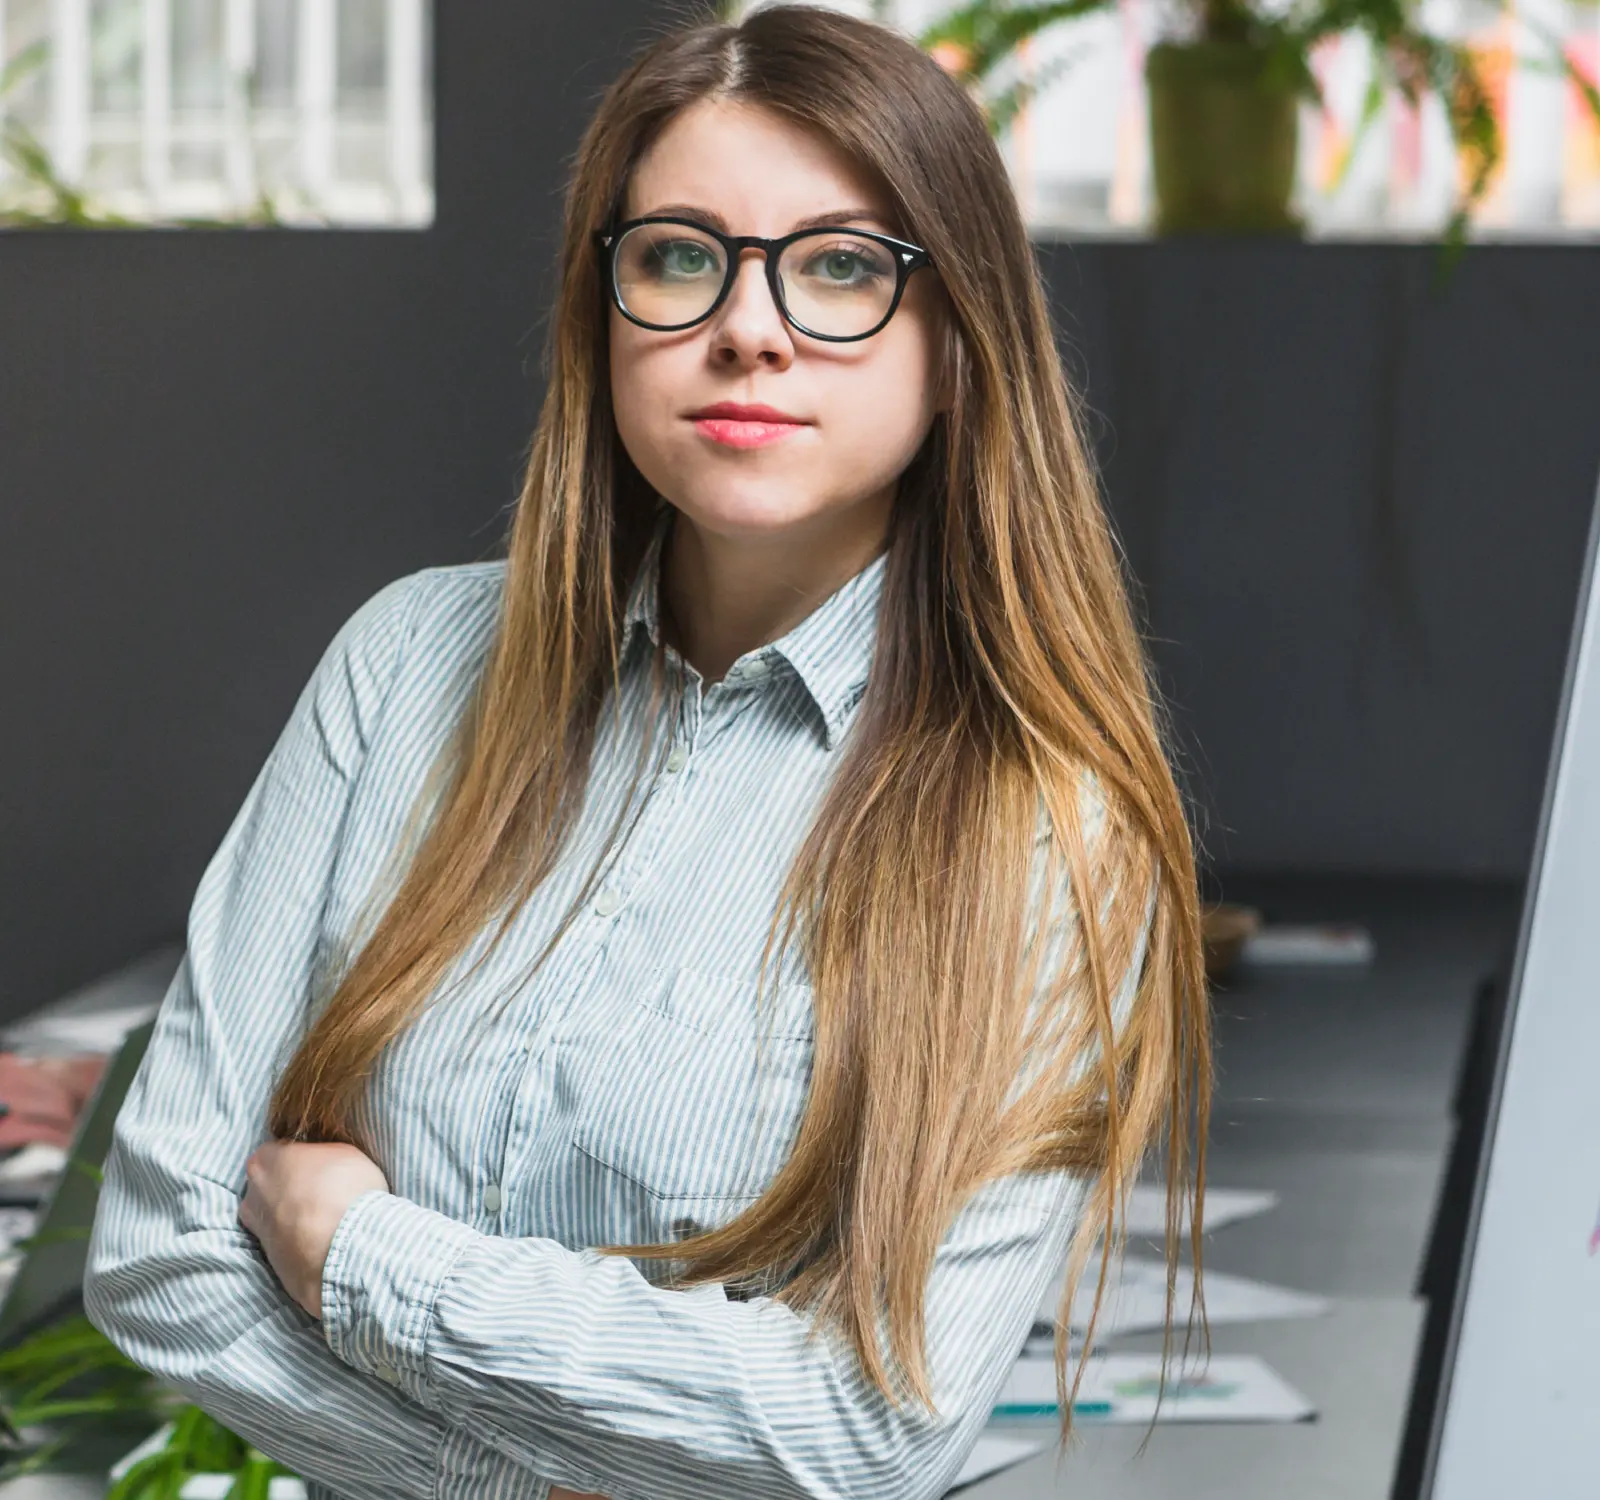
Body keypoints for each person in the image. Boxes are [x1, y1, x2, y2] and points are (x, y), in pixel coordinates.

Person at [84, 5, 1212, 1497]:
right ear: (602, 315)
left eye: (841, 267)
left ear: (958, 345)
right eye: (682, 257)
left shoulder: (1048, 829)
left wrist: (358, 1253)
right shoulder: (405, 665)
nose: (749, 327)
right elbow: (157, 1251)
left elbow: (870, 1432)